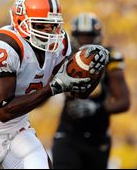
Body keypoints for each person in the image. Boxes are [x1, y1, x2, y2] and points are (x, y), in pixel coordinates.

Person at [0, 0, 109, 169]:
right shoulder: (3, 45)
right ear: (21, 21)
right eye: (41, 25)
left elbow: (77, 92)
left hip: (18, 131)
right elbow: (4, 111)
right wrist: (53, 88)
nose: (49, 32)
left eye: (53, 25)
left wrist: (94, 71)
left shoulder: (61, 43)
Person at [51, 12, 131, 169]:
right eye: (81, 36)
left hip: (97, 137)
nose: (85, 41)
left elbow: (124, 102)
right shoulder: (65, 56)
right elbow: (47, 88)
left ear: (98, 36)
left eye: (89, 36)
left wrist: (97, 108)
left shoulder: (110, 58)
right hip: (68, 134)